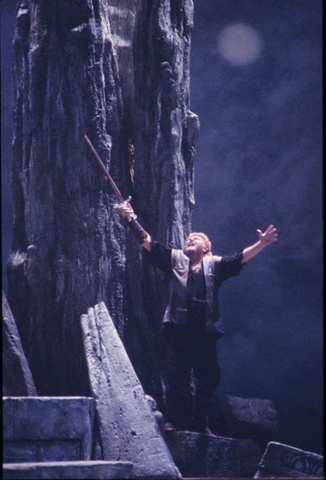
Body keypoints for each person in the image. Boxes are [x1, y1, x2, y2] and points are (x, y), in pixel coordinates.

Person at [121, 203, 278, 434]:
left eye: (196, 238)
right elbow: (149, 243)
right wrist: (131, 219)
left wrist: (262, 243)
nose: (190, 239)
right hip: (179, 331)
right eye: (188, 239)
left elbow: (240, 258)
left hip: (204, 333)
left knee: (210, 377)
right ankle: (173, 420)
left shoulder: (214, 265)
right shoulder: (174, 260)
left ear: (207, 248)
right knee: (176, 379)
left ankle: (201, 421)